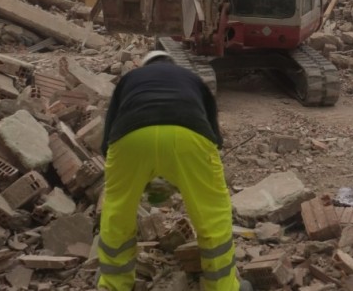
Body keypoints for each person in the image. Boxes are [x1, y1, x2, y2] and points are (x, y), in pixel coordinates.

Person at [97, 50, 252, 291]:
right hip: (188, 134)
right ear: (172, 64)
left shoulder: (130, 79)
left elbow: (107, 138)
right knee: (213, 212)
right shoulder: (191, 79)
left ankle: (112, 285)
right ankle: (223, 286)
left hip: (131, 136)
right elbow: (215, 136)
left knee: (117, 211)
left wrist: (131, 177)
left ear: (145, 65)